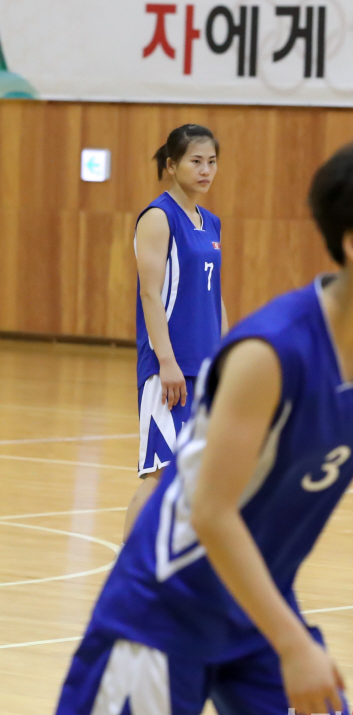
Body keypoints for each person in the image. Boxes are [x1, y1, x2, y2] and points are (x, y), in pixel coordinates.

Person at [43, 141, 353, 715]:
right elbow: (210, 510)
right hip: (166, 609)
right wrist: (293, 643)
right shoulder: (272, 351)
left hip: (257, 605)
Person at [123, 124, 227, 541]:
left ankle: (168, 572)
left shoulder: (212, 223)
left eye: (212, 162)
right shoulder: (158, 217)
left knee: (194, 475)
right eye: (195, 161)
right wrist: (165, 361)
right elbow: (150, 293)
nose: (205, 170)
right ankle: (125, 577)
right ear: (171, 165)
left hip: (204, 364)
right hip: (170, 367)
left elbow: (214, 296)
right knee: (160, 471)